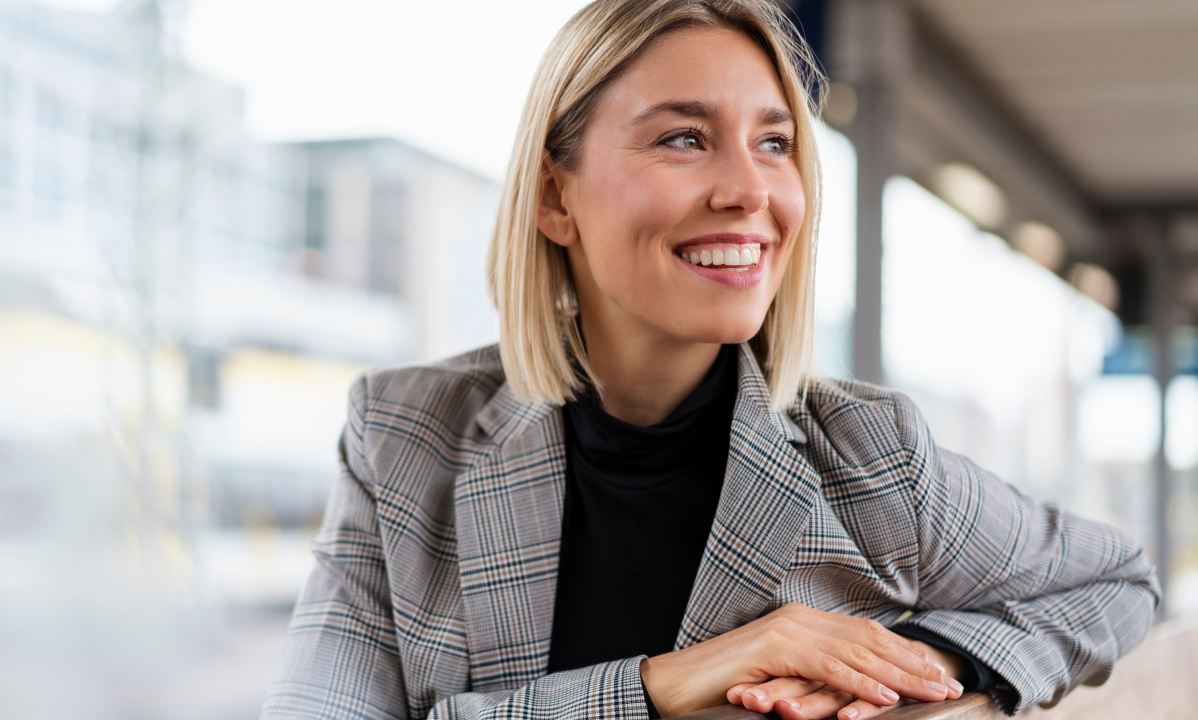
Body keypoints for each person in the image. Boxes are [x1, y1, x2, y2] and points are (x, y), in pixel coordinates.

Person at [260, 1, 1160, 719]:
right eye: (684, 138)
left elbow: (1118, 582)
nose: (749, 191)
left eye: (774, 143)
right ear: (553, 196)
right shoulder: (406, 438)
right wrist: (670, 684)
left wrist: (953, 680)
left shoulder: (869, 453)